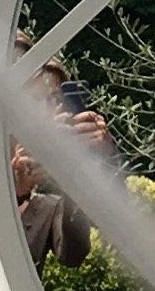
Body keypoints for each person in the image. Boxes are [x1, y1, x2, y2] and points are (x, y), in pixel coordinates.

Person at [11, 34, 117, 269]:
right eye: (35, 101)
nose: (50, 112)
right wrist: (16, 193)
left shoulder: (46, 194)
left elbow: (73, 254)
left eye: (56, 100)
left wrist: (101, 159)